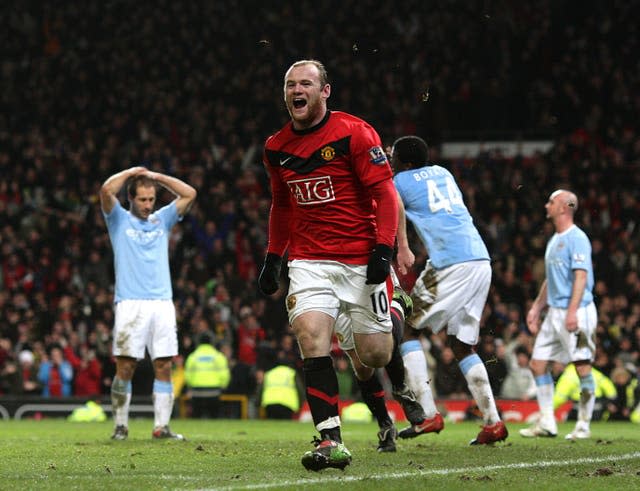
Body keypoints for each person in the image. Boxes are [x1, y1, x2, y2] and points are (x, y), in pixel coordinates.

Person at [258, 59, 400, 470]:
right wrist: (274, 256)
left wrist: (383, 249)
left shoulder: (354, 133)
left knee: (373, 355)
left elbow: (386, 195)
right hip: (309, 260)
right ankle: (329, 440)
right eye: (289, 85)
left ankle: (393, 306)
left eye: (305, 83)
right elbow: (282, 204)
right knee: (310, 334)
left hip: (360, 258)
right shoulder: (276, 147)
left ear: (325, 91)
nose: (295, 90)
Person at [392, 135, 508, 445]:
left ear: (402, 161)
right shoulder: (443, 173)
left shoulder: (398, 181)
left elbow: (393, 210)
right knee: (461, 345)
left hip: (450, 262)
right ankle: (493, 423)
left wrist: (400, 246)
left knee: (408, 330)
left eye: (393, 156)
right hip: (479, 259)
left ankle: (428, 414)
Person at [100, 166, 196, 440]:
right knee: (126, 366)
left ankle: (161, 427)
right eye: (142, 199)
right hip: (130, 302)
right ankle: (120, 425)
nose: (147, 204)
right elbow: (106, 190)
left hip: (162, 302)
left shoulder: (161, 220)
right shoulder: (118, 220)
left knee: (164, 365)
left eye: (151, 199)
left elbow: (190, 193)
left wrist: (158, 179)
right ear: (131, 198)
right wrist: (130, 172)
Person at [519, 189, 598, 440]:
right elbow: (550, 281)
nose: (546, 205)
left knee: (582, 366)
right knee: (538, 364)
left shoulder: (578, 238)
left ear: (563, 207)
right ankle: (547, 423)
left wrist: (572, 312)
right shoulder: (555, 239)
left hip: (577, 311)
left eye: (551, 202)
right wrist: (536, 307)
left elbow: (581, 276)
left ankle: (583, 425)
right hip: (554, 312)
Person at [184, 332, 231, 418]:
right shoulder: (219, 356)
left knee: (196, 419)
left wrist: (190, 387)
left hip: (197, 392)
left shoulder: (192, 357)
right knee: (214, 418)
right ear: (212, 342)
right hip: (214, 392)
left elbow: (188, 375)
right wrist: (223, 387)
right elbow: (224, 374)